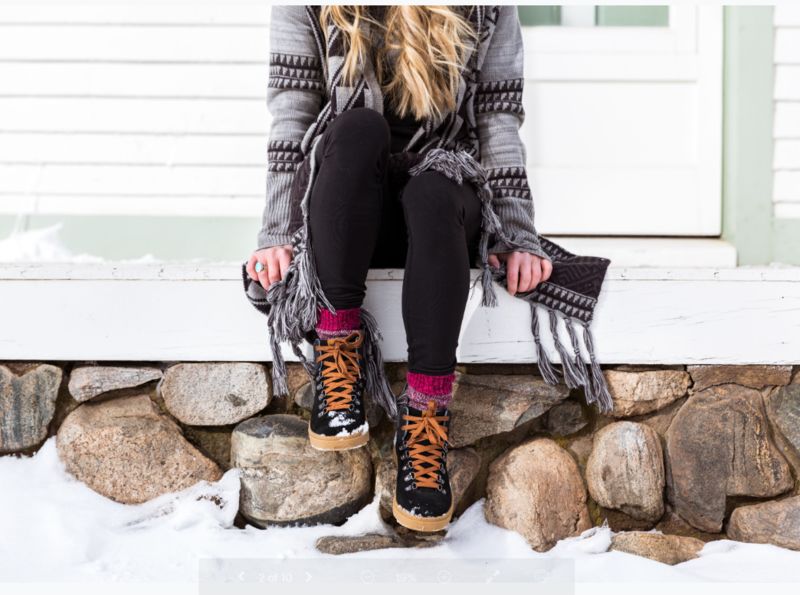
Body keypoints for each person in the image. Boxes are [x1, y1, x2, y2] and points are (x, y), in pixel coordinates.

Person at [242, 5, 613, 533]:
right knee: (357, 127)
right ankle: (338, 354)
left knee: (435, 188)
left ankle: (426, 423)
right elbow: (293, 114)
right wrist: (278, 233)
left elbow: (497, 121)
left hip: (439, 211)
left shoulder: (486, 9)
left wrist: (516, 235)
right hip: (344, 210)